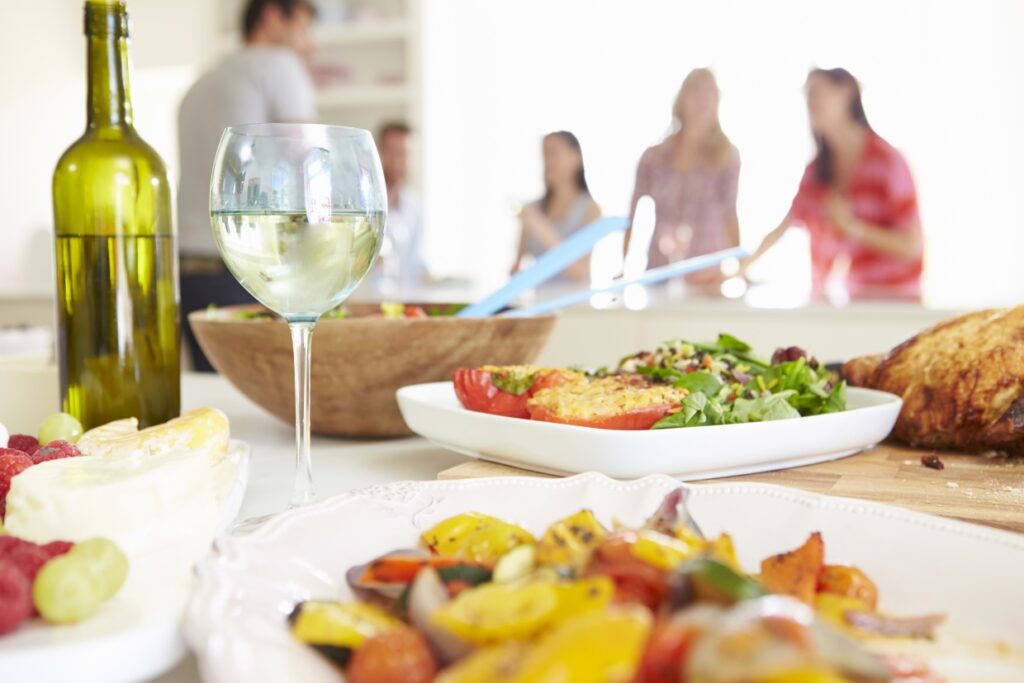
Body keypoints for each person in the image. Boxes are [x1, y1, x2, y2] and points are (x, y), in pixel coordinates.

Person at [176, 0, 318, 371]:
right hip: (246, 267)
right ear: (272, 16)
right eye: (303, 28)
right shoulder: (279, 65)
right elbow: (309, 163)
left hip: (187, 266)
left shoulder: (200, 84)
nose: (310, 45)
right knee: (270, 395)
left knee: (215, 398)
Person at [745, 68, 924, 300]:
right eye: (807, 94)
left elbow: (911, 246)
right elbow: (783, 227)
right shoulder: (816, 172)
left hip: (893, 304)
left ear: (847, 91)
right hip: (843, 304)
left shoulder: (888, 163)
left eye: (818, 92)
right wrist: (740, 268)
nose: (811, 101)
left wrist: (853, 227)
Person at [625, 68, 740, 283]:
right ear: (681, 98)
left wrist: (740, 269)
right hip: (660, 269)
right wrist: (622, 267)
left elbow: (730, 216)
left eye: (710, 93)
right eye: (695, 91)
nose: (702, 100)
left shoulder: (727, 156)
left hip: (708, 273)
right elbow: (631, 216)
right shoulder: (653, 158)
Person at [514, 131, 601, 283]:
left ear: (576, 157)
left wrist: (539, 226)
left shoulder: (591, 209)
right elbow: (516, 269)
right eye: (544, 153)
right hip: (539, 303)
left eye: (554, 152)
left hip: (576, 305)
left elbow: (580, 272)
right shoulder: (532, 210)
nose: (548, 160)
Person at [377, 122, 427, 292]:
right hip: (367, 302)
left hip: (403, 301)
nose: (397, 160)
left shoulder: (414, 205)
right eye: (392, 152)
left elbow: (417, 263)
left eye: (404, 154)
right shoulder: (362, 204)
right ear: (379, 153)